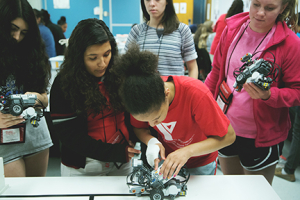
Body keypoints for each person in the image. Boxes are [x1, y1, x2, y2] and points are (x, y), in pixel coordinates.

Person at [204, 0, 300, 185]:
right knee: (232, 189)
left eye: (270, 8)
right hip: (226, 128)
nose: (260, 13)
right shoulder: (232, 29)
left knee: (255, 194)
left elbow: (297, 91)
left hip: (260, 137)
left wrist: (269, 95)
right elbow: (216, 73)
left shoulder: (290, 44)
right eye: (256, 4)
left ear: (283, 8)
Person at [113, 43, 236, 178]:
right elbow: (139, 128)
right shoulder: (139, 99)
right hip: (167, 162)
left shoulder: (196, 94)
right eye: (147, 121)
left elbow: (228, 137)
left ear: (166, 94)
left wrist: (187, 151)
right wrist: (151, 141)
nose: (153, 125)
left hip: (200, 162)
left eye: (156, 118)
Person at [50, 18, 140, 176]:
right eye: (93, 58)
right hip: (84, 167)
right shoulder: (64, 83)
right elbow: (69, 136)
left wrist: (132, 137)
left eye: (107, 54)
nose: (102, 63)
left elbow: (131, 113)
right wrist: (113, 152)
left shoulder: (119, 72)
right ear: (79, 56)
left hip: (121, 161)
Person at [0, 0, 52, 177]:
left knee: (36, 194)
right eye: (12, 29)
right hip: (5, 138)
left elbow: (44, 98)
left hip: (35, 134)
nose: (17, 37)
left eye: (24, 32)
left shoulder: (31, 51)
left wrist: (37, 98)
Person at [125, 0, 198, 79]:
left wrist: (190, 90)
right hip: (143, 89)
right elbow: (126, 66)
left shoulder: (182, 30)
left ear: (167, 1)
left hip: (175, 89)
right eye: (148, 0)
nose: (152, 3)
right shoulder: (137, 31)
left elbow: (192, 68)